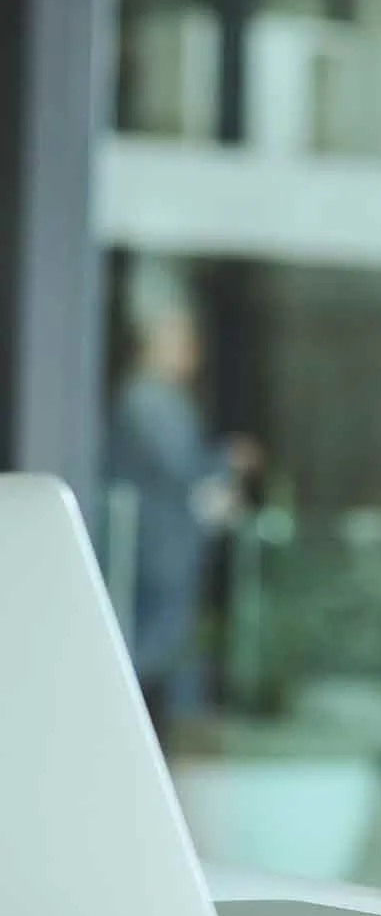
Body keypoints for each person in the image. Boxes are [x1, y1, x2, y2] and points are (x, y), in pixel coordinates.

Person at [107, 261, 262, 740]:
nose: (191, 349)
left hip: (167, 554)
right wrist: (224, 459)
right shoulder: (147, 400)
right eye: (181, 337)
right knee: (148, 654)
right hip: (154, 554)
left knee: (171, 655)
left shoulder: (163, 400)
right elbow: (182, 470)